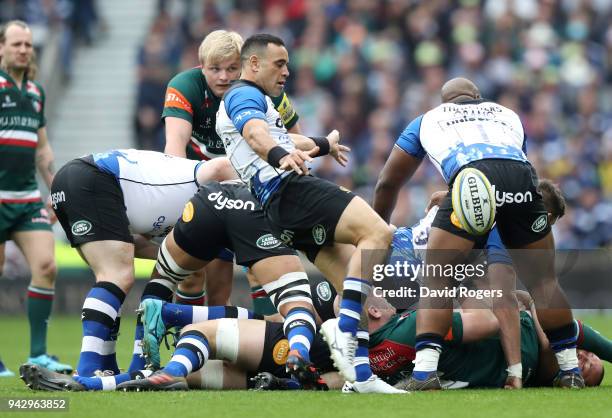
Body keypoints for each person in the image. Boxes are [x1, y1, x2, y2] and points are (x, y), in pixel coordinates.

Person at [373, 77, 583, 389]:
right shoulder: (507, 114)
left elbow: (389, 182)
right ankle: (570, 371)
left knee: (437, 276)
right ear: (478, 97)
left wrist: (377, 229)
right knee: (544, 280)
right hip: (520, 181)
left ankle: (425, 374)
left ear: (444, 104)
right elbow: (515, 165)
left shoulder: (427, 120)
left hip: (471, 178)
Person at [215, 33, 396, 392]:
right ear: (253, 64)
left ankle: (359, 376)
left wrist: (324, 144)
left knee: (351, 280)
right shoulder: (244, 94)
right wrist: (280, 157)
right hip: (289, 189)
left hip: (278, 210)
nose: (286, 72)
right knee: (378, 234)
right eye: (279, 64)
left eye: (288, 64)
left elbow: (281, 138)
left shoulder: (256, 101)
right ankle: (344, 335)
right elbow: (256, 135)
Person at [49, 149, 236, 377]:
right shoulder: (215, 192)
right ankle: (88, 369)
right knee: (116, 276)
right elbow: (220, 167)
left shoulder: (169, 211)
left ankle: (120, 363)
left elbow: (136, 244)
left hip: (74, 179)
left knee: (141, 273)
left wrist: (173, 259)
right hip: (95, 178)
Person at [161, 29, 301, 320]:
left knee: (252, 272)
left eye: (231, 69)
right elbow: (174, 145)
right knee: (191, 275)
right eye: (214, 69)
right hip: (199, 185)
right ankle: (191, 348)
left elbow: (295, 140)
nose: (223, 77)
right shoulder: (184, 86)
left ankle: (263, 347)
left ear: (246, 67)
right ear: (202, 66)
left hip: (248, 186)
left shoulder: (266, 91)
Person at [0, 20, 70, 373]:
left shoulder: (37, 92)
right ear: (1, 48)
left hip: (27, 198)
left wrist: (56, 190)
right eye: (16, 44)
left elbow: (42, 149)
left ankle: (39, 354)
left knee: (46, 266)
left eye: (28, 44)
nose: (24, 50)